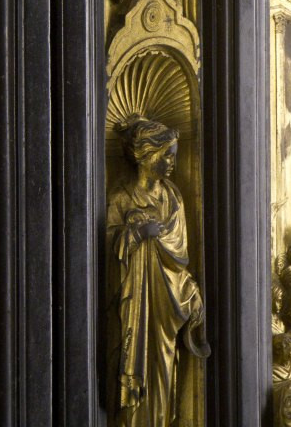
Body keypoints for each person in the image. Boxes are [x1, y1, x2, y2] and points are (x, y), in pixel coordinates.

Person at [107, 116, 209, 426]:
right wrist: (136, 234)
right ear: (144, 154)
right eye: (166, 154)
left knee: (165, 372)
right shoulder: (122, 198)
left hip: (167, 310)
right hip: (136, 308)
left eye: (174, 154)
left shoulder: (173, 198)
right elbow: (110, 250)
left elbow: (179, 259)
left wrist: (188, 289)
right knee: (139, 372)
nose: (172, 162)